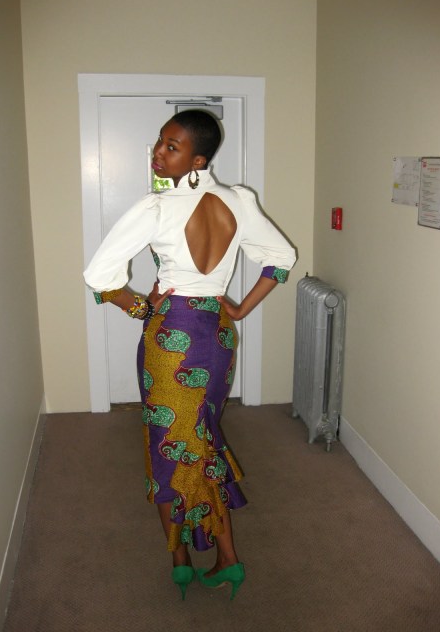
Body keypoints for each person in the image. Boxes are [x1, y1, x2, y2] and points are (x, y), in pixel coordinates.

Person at [84, 109, 296, 600]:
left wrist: (140, 307)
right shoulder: (239, 201)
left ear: (198, 159)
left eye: (171, 147)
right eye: (160, 142)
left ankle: (181, 558)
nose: (158, 153)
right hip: (217, 335)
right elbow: (281, 258)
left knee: (169, 446)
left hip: (170, 340)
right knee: (202, 440)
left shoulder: (156, 208)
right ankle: (227, 559)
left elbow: (98, 276)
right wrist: (239, 309)